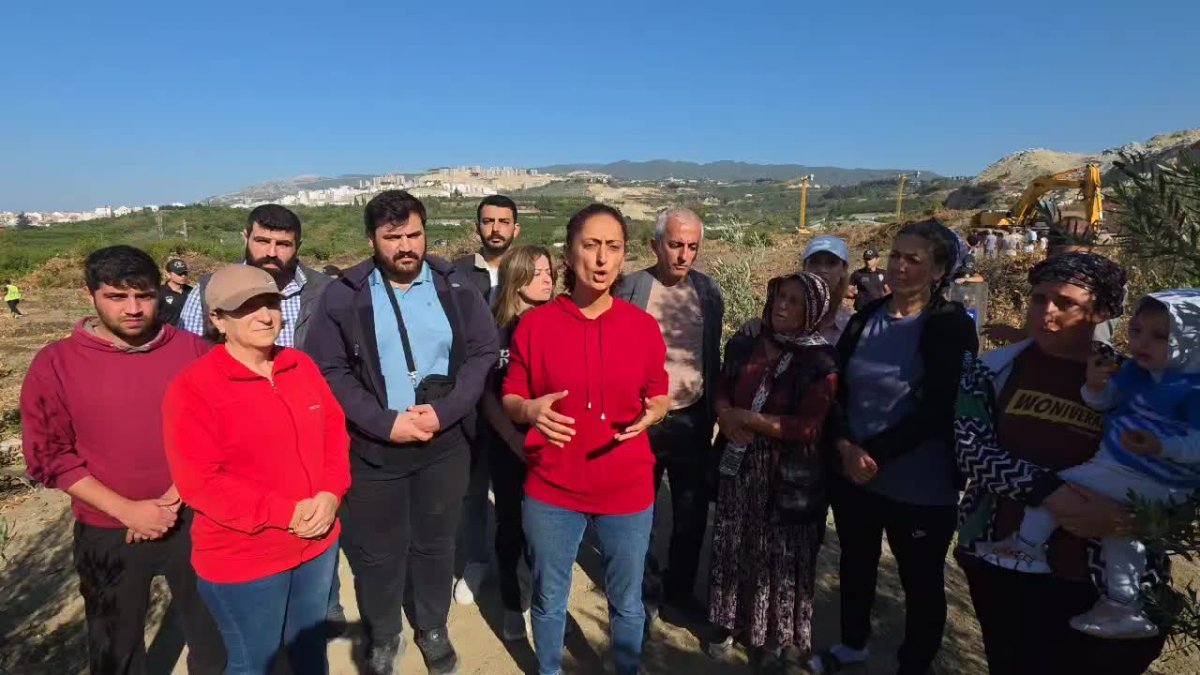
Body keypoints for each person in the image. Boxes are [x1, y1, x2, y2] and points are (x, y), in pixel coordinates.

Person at [307, 190, 498, 675]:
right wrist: (383, 422)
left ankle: (432, 626)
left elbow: (482, 353)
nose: (406, 246)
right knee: (377, 552)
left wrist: (446, 411)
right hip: (374, 447)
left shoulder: (455, 285)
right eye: (393, 237)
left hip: (444, 443)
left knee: (436, 542)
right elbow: (329, 369)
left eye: (414, 234)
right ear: (372, 239)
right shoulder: (344, 295)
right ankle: (384, 632)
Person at [953, 252, 1168, 673]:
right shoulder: (991, 369)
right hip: (1003, 560)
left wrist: (1128, 520)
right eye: (1039, 298)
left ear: (1101, 312)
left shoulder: (1135, 381)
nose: (1046, 312)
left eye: (1065, 302)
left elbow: (1171, 467)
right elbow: (973, 449)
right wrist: (1051, 493)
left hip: (1096, 578)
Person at [20, 245, 225, 675]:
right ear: (89, 295)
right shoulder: (55, 363)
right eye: (116, 296)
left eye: (144, 295)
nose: (133, 309)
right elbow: (49, 456)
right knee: (115, 646)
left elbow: (222, 432)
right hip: (108, 529)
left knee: (213, 636)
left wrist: (177, 494)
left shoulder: (194, 352)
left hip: (194, 518)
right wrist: (127, 510)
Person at [502, 203, 669, 675]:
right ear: (569, 254)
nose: (601, 258)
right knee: (549, 596)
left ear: (623, 256)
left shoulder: (642, 327)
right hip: (553, 486)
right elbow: (511, 394)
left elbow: (658, 390)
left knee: (627, 601)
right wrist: (529, 410)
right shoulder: (535, 326)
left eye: (612, 247)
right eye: (590, 245)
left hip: (626, 486)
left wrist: (656, 410)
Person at [163, 264, 351, 675]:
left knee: (310, 653)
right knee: (255, 663)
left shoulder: (300, 365)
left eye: (270, 304)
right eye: (247, 307)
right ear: (217, 320)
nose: (265, 316)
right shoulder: (194, 388)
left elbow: (334, 434)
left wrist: (331, 492)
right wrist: (285, 514)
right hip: (246, 559)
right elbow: (200, 482)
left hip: (316, 545)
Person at [982, 289, 1200, 639]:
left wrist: (1162, 446)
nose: (1142, 342)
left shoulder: (1190, 390)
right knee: (1119, 538)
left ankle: (1026, 546)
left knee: (1061, 488)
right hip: (1124, 467)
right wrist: (1096, 387)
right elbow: (1104, 403)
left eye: (1160, 336)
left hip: (1152, 476)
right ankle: (1123, 604)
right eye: (1137, 331)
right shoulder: (1140, 373)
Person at [811, 219, 978, 675]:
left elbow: (942, 406)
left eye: (913, 259)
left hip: (921, 485)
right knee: (856, 563)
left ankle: (914, 664)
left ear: (938, 270)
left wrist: (874, 454)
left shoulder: (949, 325)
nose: (899, 266)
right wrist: (844, 444)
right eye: (895, 256)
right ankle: (852, 644)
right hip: (855, 474)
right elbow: (836, 387)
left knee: (920, 580)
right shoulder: (867, 318)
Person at [707, 272, 840, 672]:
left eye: (795, 301)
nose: (782, 305)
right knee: (734, 544)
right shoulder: (746, 341)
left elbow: (809, 427)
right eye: (780, 296)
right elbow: (723, 385)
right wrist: (725, 415)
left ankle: (772, 636)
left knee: (778, 555)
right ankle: (730, 620)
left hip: (786, 474)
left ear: (812, 311)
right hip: (739, 461)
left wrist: (749, 419)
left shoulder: (821, 362)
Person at [613, 207, 724, 620]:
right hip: (642, 421)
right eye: (676, 245)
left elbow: (709, 353)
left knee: (691, 511)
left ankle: (679, 591)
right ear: (655, 245)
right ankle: (644, 587)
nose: (684, 255)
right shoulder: (630, 288)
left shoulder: (708, 291)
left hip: (692, 419)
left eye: (692, 247)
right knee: (640, 511)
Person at [481, 244, 558, 640]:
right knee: (511, 525)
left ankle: (548, 604)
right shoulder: (494, 329)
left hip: (551, 445)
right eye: (537, 272)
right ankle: (514, 603)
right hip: (509, 445)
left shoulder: (559, 323)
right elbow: (487, 394)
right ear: (516, 277)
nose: (547, 279)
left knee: (548, 533)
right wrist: (513, 439)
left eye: (549, 272)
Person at [451, 194, 522, 606]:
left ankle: (518, 565)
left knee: (517, 491)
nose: (496, 228)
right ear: (478, 225)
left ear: (516, 227)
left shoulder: (528, 268)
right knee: (473, 490)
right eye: (488, 221)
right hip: (473, 398)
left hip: (517, 396)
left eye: (503, 221)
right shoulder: (457, 274)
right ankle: (477, 561)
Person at [179, 204, 331, 350]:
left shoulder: (326, 291)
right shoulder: (208, 289)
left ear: (298, 246)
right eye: (262, 241)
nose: (271, 252)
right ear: (246, 238)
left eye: (283, 244)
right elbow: (189, 353)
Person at [803, 235, 855, 344]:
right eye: (815, 262)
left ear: (844, 269)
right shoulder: (783, 318)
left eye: (832, 262)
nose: (822, 269)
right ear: (804, 267)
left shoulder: (853, 326)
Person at [849, 248, 888, 312]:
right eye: (866, 259)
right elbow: (848, 290)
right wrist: (859, 296)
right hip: (862, 308)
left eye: (870, 259)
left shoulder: (883, 273)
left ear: (877, 259)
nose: (868, 261)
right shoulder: (857, 273)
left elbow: (888, 291)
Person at [157, 259, 193, 327]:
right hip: (167, 331)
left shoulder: (192, 292)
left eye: (185, 273)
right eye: (179, 273)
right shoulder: (159, 292)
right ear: (168, 275)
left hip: (187, 332)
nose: (183, 276)